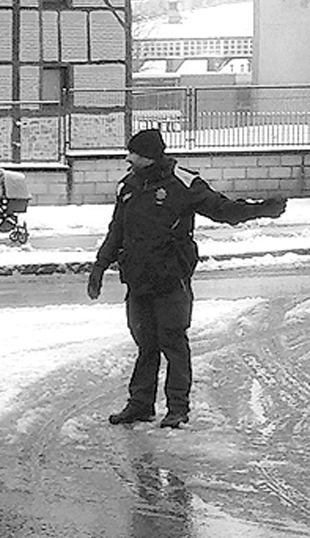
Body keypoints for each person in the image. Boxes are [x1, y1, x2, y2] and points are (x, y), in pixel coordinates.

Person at [89, 127, 286, 429]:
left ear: (151, 156)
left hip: (171, 279)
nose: (129, 159)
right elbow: (117, 230)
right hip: (138, 279)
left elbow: (223, 210)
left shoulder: (183, 183)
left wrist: (261, 210)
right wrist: (100, 265)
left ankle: (177, 407)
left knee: (173, 341)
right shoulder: (127, 186)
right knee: (145, 343)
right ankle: (141, 404)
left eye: (135, 154)